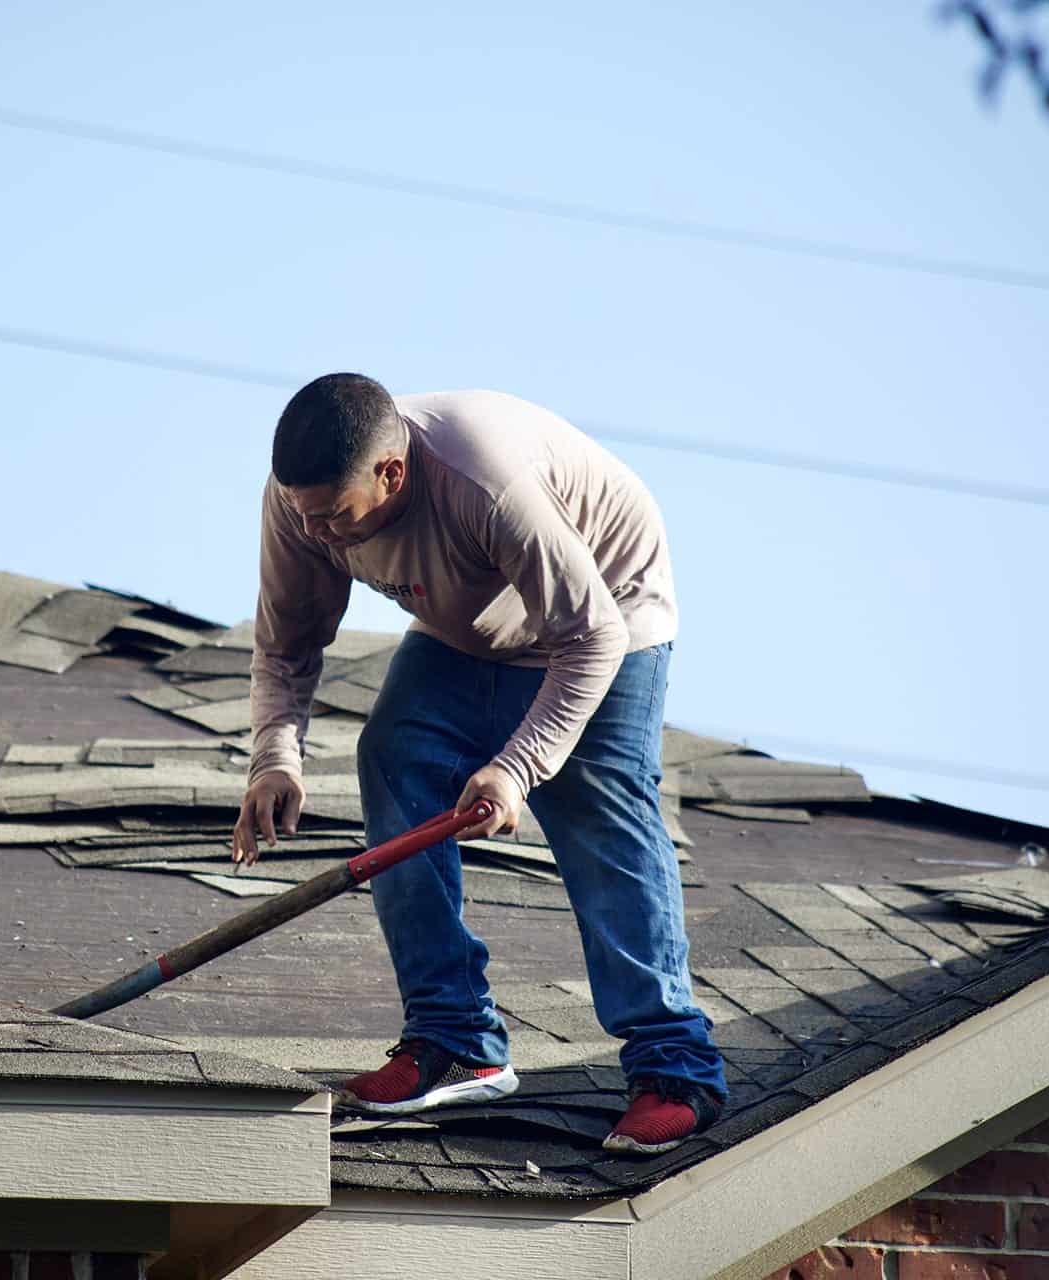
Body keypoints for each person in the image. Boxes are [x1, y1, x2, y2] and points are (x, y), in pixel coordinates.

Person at [231, 373, 726, 1156]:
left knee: (598, 805)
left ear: (391, 474)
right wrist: (274, 759)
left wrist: (518, 766)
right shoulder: (302, 504)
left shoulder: (484, 483)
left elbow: (589, 636)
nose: (317, 532)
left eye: (333, 516)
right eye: (304, 513)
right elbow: (287, 645)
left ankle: (675, 1070)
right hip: (472, 627)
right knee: (395, 754)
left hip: (607, 616)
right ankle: (455, 1040)